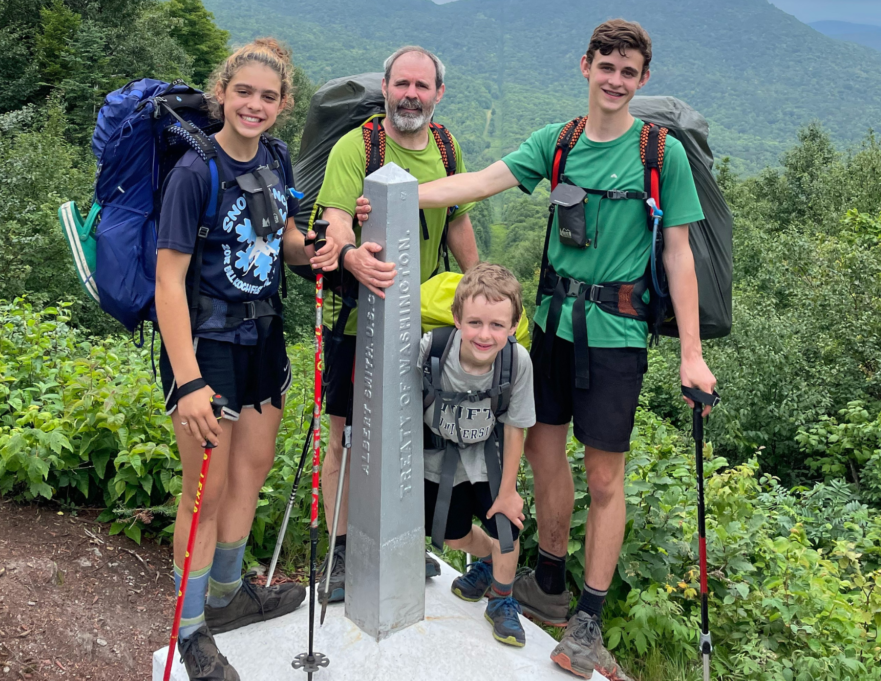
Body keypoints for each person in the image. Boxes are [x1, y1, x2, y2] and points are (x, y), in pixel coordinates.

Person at [356, 19, 717, 681]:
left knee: (606, 479)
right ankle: (547, 579)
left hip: (617, 335)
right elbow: (480, 183)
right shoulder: (560, 142)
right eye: (605, 66)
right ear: (585, 67)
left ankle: (588, 620)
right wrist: (392, 195)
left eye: (627, 72)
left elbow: (679, 253)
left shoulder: (659, 153)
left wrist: (691, 352)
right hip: (551, 325)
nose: (614, 80)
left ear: (641, 80)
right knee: (546, 459)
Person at [155, 39, 317, 681]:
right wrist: (190, 381)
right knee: (206, 493)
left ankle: (226, 595)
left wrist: (322, 248)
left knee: (251, 470)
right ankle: (190, 629)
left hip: (264, 339)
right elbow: (168, 282)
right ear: (222, 93)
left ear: (283, 106)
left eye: (268, 96)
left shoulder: (277, 158)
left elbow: (288, 239)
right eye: (243, 92)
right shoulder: (195, 171)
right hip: (204, 349)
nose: (254, 104)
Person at [307, 45, 480, 603]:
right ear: (385, 88)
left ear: (438, 94)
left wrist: (481, 284)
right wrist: (350, 253)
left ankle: (400, 543)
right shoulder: (356, 146)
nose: (411, 95)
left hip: (425, 320)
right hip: (360, 318)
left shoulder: (447, 146)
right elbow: (335, 217)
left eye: (421, 86)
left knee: (415, 437)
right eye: (402, 84)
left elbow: (457, 221)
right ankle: (340, 555)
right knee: (346, 438)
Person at [420, 263, 534, 647]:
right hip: (438, 459)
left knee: (507, 525)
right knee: (452, 538)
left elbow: (517, 426)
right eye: (475, 323)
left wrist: (508, 490)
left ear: (513, 326)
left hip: (489, 456)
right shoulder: (432, 350)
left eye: (497, 326)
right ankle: (486, 562)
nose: (485, 335)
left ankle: (502, 599)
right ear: (457, 319)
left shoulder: (517, 362)